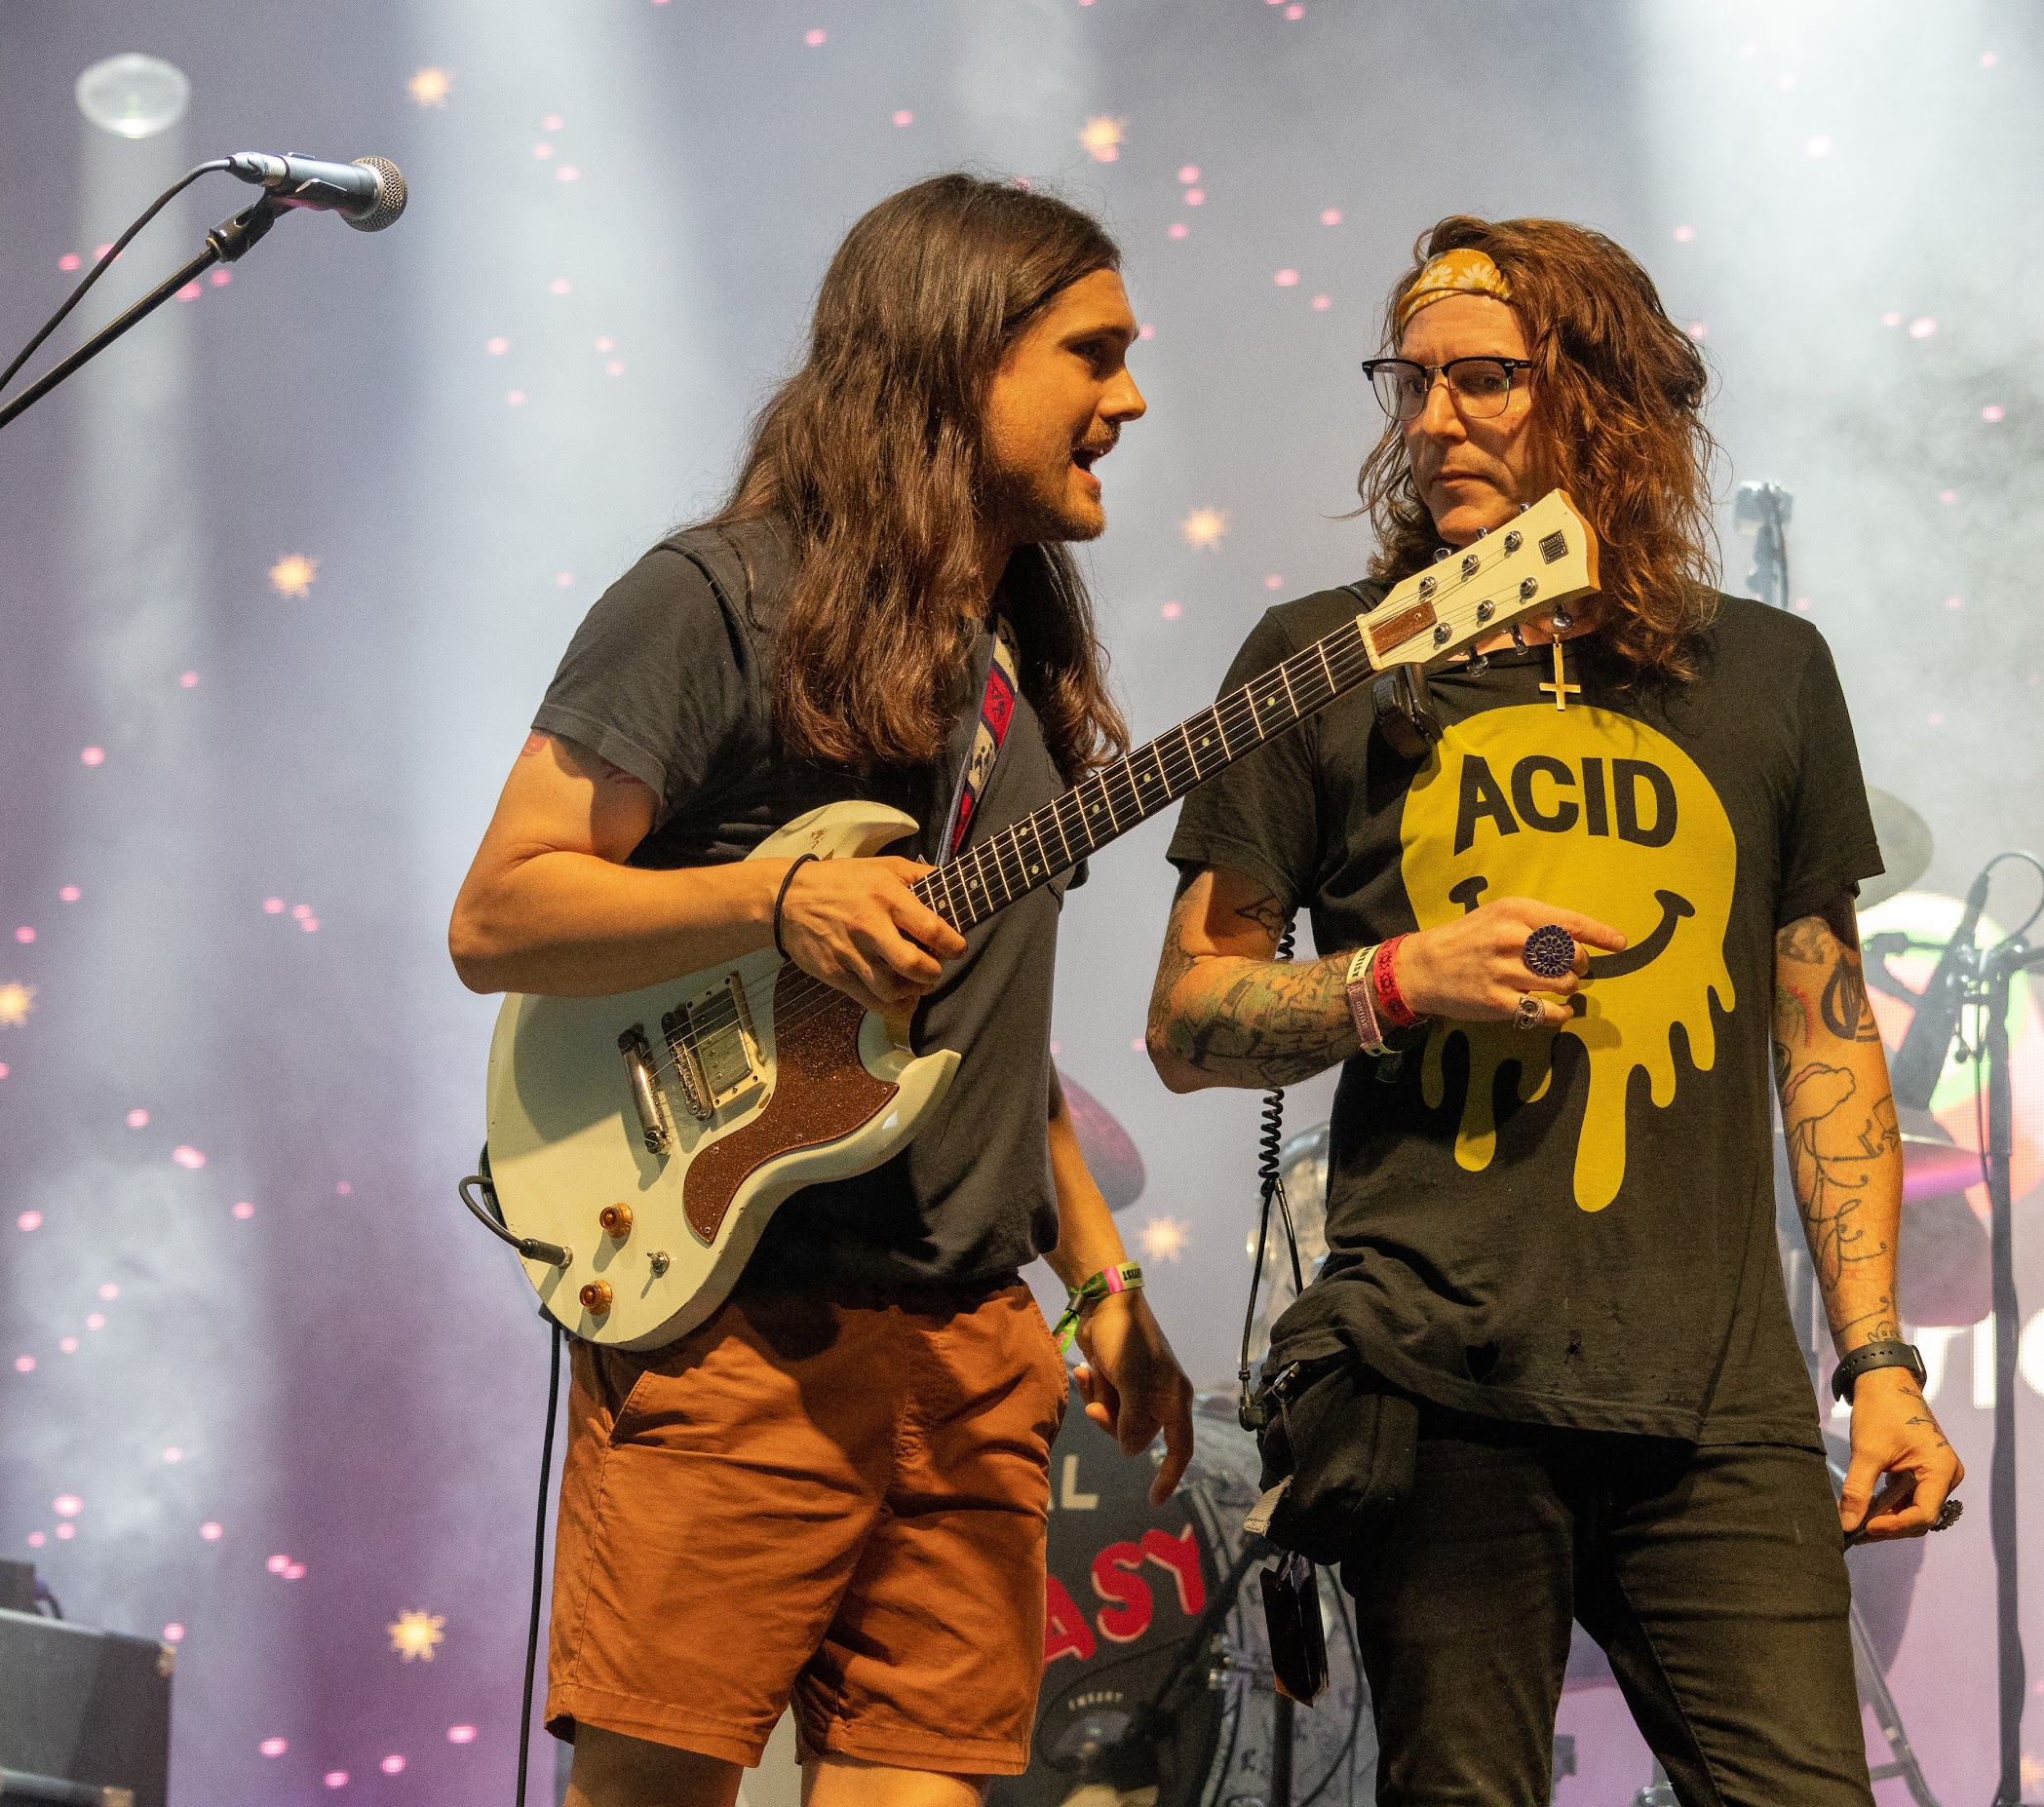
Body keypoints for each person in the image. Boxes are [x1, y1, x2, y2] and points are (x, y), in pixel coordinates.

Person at [1148, 217, 1960, 1805]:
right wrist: (1396, 977)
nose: (1431, 419)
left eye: (1484, 381)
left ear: (1607, 400)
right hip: (1435, 1374)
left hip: (1716, 1397)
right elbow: (1186, 1018)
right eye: (1413, 380)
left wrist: (1876, 1357)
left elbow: (1825, 1031)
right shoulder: (1328, 659)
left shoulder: (1769, 675)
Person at [448, 173, 1195, 1807]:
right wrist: (779, 896)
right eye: (1092, 351)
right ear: (954, 354)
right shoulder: (720, 595)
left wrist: (1097, 1277)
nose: (1127, 395)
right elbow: (499, 910)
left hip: (976, 1357)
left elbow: (982, 1029)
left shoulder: (1017, 655)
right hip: (742, 1335)